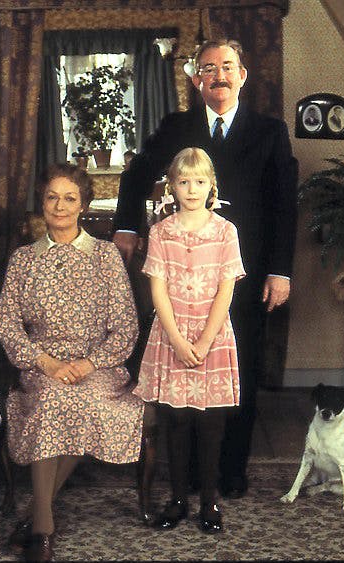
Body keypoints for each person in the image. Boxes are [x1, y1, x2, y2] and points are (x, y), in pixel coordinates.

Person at [114, 38, 298, 499]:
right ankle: (190, 476)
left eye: (228, 67)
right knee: (188, 369)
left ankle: (229, 472)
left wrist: (280, 270)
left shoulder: (270, 131)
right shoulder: (176, 126)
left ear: (242, 75)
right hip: (184, 279)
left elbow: (284, 205)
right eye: (209, 68)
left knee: (239, 370)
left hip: (244, 273)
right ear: (198, 79)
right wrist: (127, 228)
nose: (219, 76)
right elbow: (137, 174)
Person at [0, 164, 144, 563]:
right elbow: (6, 322)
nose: (59, 206)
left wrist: (90, 364)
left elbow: (126, 326)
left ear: (83, 205)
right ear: (42, 203)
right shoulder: (24, 259)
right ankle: (44, 529)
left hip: (97, 368)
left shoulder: (106, 255)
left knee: (84, 402)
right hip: (41, 366)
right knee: (52, 401)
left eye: (69, 198)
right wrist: (44, 362)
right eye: (52, 197)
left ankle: (32, 517)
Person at [134, 147, 245, 534]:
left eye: (199, 182)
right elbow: (158, 291)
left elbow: (226, 289)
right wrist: (179, 342)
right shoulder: (161, 232)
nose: (192, 189)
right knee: (177, 420)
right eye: (184, 182)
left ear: (212, 185)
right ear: (172, 187)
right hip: (172, 335)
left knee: (210, 422)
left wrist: (205, 339)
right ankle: (178, 499)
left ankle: (209, 500)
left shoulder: (226, 231)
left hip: (212, 335)